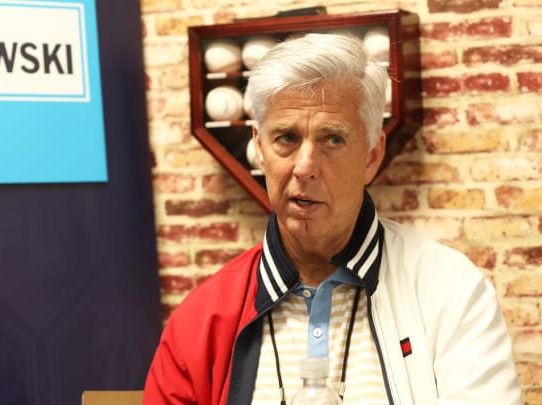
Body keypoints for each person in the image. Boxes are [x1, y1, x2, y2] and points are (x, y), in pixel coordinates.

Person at [143, 33, 522, 405]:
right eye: (286, 138)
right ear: (259, 148)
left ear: (372, 156)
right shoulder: (199, 322)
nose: (305, 167)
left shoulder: (451, 291)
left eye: (333, 140)